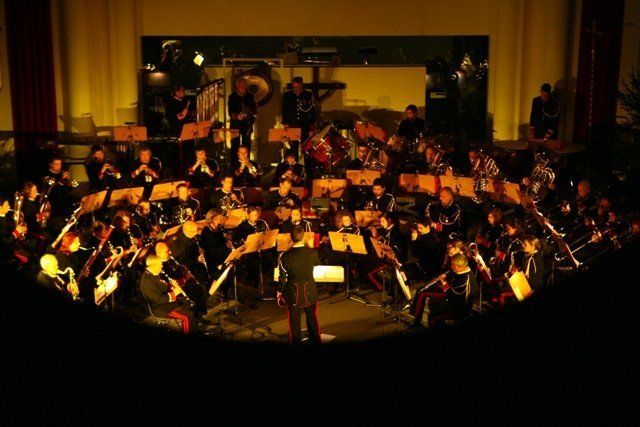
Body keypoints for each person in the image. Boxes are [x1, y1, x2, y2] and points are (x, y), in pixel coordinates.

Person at [277, 226, 322, 345]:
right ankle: (316, 341)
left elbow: (282, 278)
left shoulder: (284, 256)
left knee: (294, 323)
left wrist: (279, 292)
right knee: (312, 318)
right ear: (304, 236)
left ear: (290, 237)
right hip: (310, 291)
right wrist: (310, 247)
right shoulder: (313, 252)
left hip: (293, 293)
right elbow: (317, 264)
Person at [409, 252, 477, 328]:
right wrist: (445, 276)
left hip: (459, 308)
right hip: (454, 299)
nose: (451, 267)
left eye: (453, 265)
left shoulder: (465, 280)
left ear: (459, 266)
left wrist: (443, 282)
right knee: (430, 301)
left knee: (432, 317)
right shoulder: (464, 270)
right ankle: (432, 322)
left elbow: (451, 295)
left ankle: (429, 322)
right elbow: (454, 274)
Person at [140, 254, 197, 334]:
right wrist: (174, 293)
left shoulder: (153, 273)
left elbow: (161, 287)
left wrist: (171, 286)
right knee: (187, 316)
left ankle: (194, 326)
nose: (162, 266)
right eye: (160, 265)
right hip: (162, 308)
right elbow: (158, 300)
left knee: (189, 304)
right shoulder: (147, 282)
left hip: (168, 303)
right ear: (154, 266)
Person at [281, 76, 316, 158]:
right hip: (292, 125)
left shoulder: (308, 95)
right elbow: (284, 110)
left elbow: (312, 111)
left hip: (305, 125)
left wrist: (311, 127)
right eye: (294, 87)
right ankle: (295, 164)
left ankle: (307, 164)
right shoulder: (287, 95)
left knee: (306, 148)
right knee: (294, 148)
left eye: (298, 87)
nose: (296, 89)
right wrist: (285, 124)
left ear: (301, 85)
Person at [228, 78, 257, 157]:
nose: (243, 88)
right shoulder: (232, 97)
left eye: (245, 85)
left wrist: (250, 115)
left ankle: (247, 163)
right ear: (237, 86)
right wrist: (237, 116)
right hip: (235, 125)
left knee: (247, 146)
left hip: (247, 125)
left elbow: (254, 110)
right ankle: (235, 163)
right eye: (241, 86)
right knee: (234, 146)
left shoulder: (250, 96)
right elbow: (230, 112)